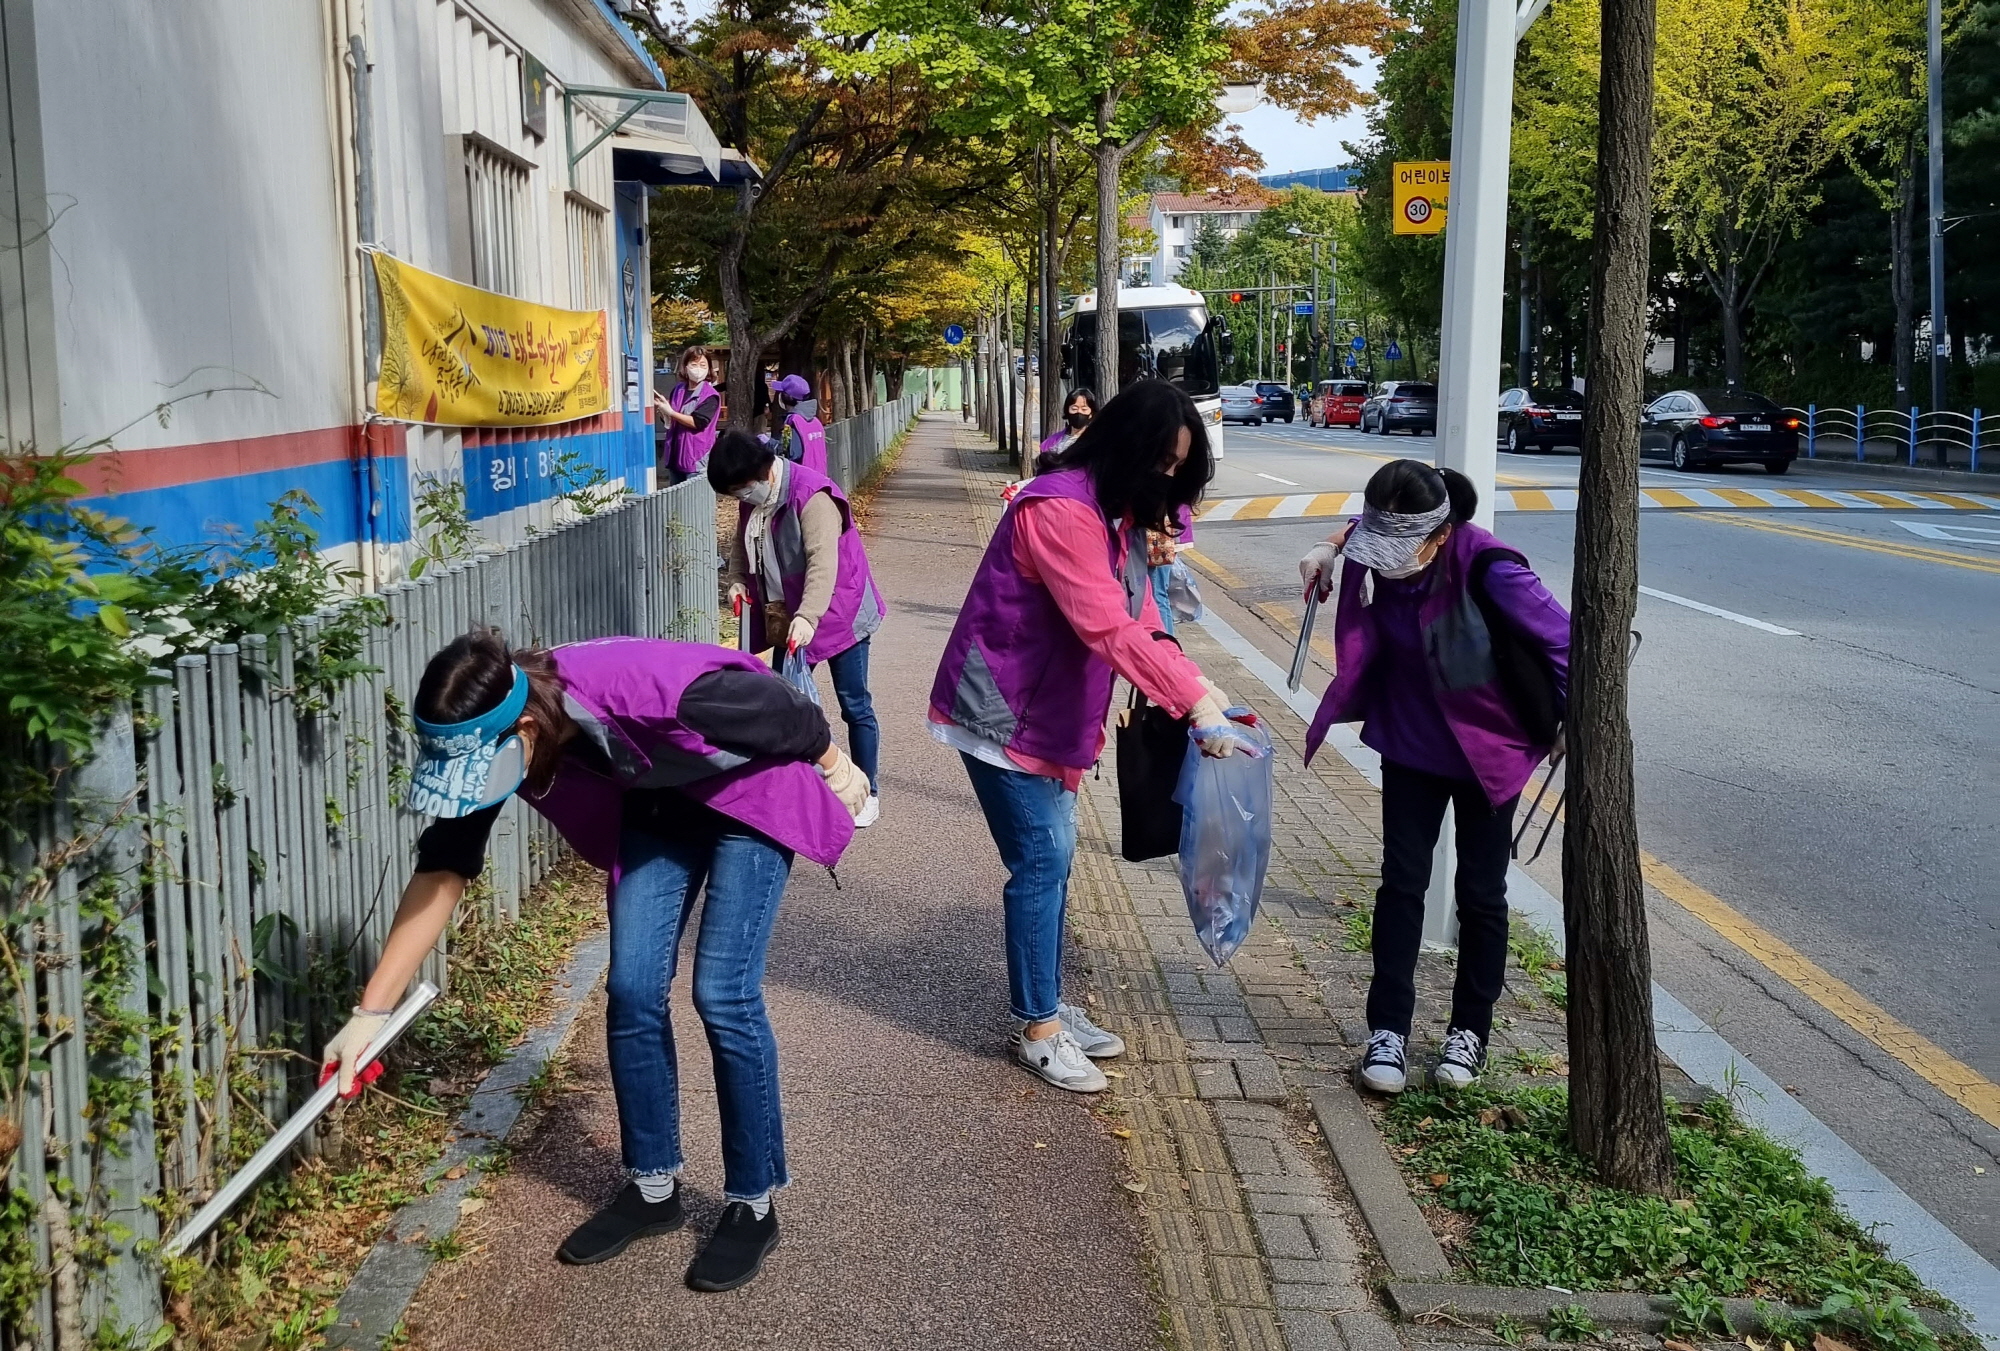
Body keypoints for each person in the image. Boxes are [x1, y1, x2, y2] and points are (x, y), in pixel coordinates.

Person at [319, 630, 870, 1291]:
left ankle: (753, 1203)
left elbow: (793, 714)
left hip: (748, 790)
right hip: (660, 801)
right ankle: (653, 1187)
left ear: (525, 724)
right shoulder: (498, 732)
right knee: (634, 987)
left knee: (723, 992)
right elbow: (445, 866)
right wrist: (368, 1013)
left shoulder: (661, 694)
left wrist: (840, 768)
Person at [931, 379, 1249, 1094]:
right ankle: (1037, 1025)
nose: (1169, 480)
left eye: (1178, 469)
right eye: (1163, 464)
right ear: (1126, 448)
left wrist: (1192, 682)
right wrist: (1192, 698)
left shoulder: (1116, 513)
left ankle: (1044, 998)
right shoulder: (1063, 513)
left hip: (1051, 713)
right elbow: (1106, 625)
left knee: (1058, 858)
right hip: (1001, 713)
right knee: (1043, 858)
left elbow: (1141, 614)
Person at [1297, 460, 1569, 1095]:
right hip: (1411, 740)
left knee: (1480, 893)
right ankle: (1386, 1032)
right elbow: (1366, 529)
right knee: (1402, 884)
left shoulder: (1490, 567)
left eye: (1398, 547)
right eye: (1373, 544)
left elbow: (1565, 641)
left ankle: (1468, 1034)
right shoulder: (1379, 548)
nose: (1382, 560)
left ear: (1441, 533)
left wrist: (1571, 716)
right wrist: (1328, 547)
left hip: (1487, 749)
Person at [710, 430, 888, 827]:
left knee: (854, 704)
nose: (741, 499)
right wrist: (738, 578)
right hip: (783, 613)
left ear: (763, 472)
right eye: (733, 494)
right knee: (782, 704)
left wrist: (808, 617)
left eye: (742, 489)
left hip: (839, 612)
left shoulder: (812, 496)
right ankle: (794, 789)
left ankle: (867, 790)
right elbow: (742, 543)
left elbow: (823, 563)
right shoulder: (754, 500)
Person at [654, 345, 722, 485]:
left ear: (709, 369)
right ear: (685, 366)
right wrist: (664, 411)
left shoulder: (710, 395)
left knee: (695, 502)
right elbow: (671, 420)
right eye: (694, 364)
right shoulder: (678, 389)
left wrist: (671, 412)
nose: (698, 369)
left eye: (703, 365)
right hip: (675, 456)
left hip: (696, 459)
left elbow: (698, 423)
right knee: (676, 504)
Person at [768, 374, 827, 475]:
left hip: (803, 482)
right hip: (819, 480)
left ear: (787, 397)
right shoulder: (816, 422)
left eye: (781, 393)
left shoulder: (793, 422)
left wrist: (768, 443)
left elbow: (789, 452)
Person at [1038, 387, 1097, 457]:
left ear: (1091, 413)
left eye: (1084, 409)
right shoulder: (1053, 441)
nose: (1079, 412)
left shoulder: (1096, 441)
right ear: (1067, 411)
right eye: (1074, 408)